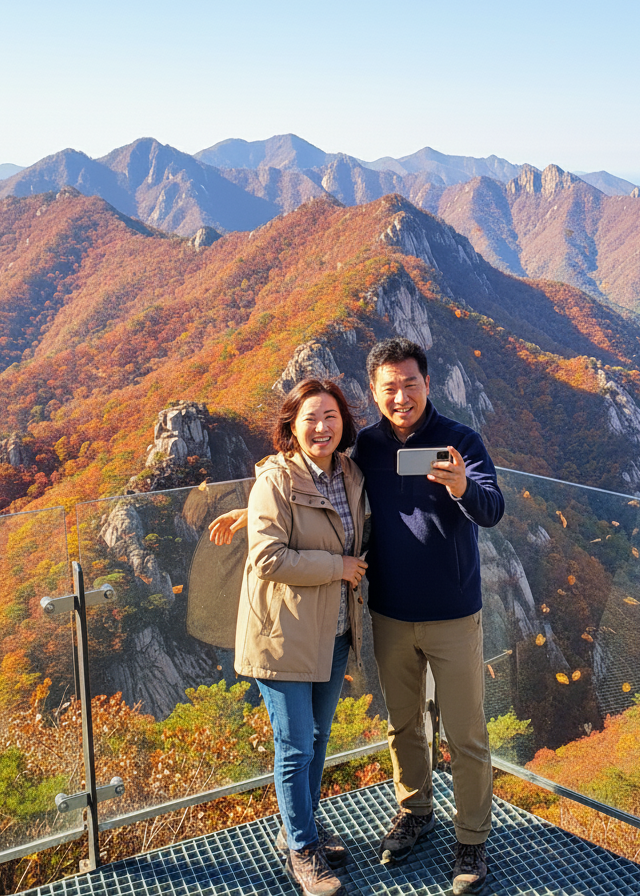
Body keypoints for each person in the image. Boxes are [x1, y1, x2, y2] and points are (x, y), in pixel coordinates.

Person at [353, 337, 504, 895]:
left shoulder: (460, 440)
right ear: (374, 392)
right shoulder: (365, 446)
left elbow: (493, 508)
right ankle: (414, 811)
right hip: (390, 611)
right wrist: (257, 506)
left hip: (452, 613)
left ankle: (472, 838)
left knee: (466, 733)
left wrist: (462, 485)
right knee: (403, 724)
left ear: (427, 384)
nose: (401, 396)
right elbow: (314, 477)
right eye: (389, 387)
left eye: (409, 384)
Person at [208, 379, 368, 896]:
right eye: (309, 419)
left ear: (343, 422)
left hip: (333, 631)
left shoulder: (350, 474)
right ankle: (301, 850)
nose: (321, 427)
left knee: (318, 739)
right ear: (291, 428)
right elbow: (269, 557)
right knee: (295, 745)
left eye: (330, 417)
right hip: (283, 636)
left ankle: (302, 827)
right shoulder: (275, 480)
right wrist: (338, 567)